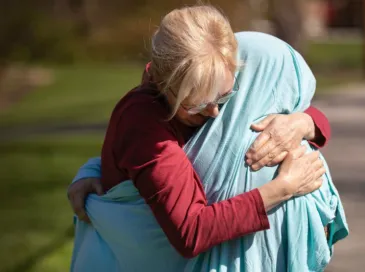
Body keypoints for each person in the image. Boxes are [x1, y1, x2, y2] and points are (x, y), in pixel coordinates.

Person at [67, 5, 347, 272]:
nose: (214, 112)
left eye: (224, 97)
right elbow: (190, 232)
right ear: (165, 84)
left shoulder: (210, 76)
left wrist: (303, 123)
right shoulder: (145, 122)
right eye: (198, 105)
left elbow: (299, 110)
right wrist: (284, 187)